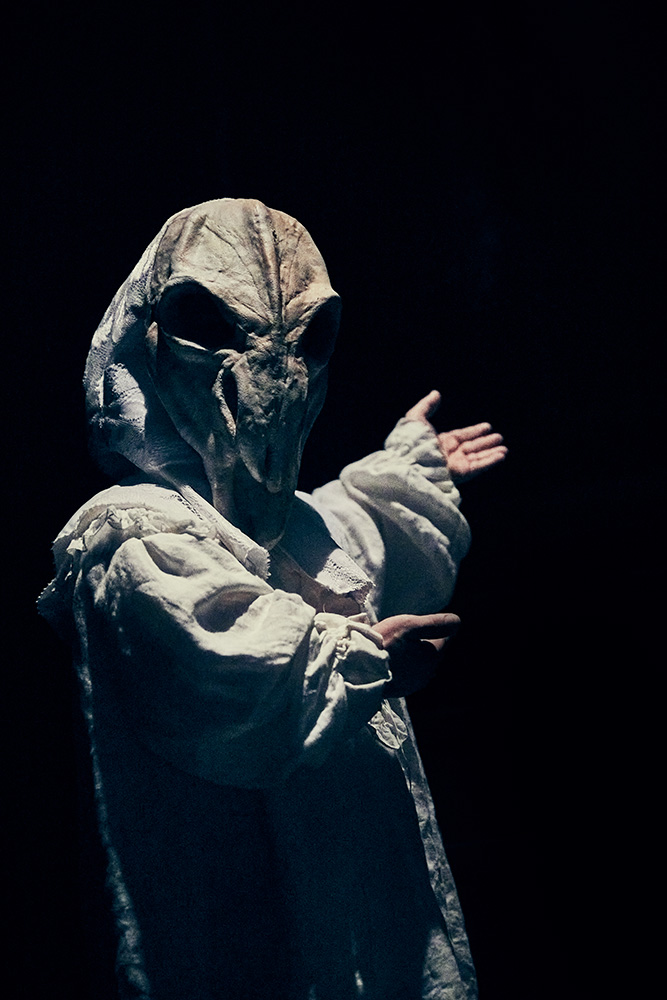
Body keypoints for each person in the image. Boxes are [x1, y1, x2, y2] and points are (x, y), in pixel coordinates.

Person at [38, 198, 506, 999]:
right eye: (208, 325)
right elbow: (218, 660)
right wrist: (366, 660)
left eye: (304, 339)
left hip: (359, 907)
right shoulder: (127, 530)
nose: (270, 372)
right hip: (235, 912)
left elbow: (342, 535)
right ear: (145, 337)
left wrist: (411, 471)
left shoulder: (291, 527)